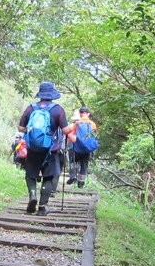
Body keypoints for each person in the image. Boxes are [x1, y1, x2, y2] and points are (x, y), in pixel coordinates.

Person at [18, 81, 68, 216]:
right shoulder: (58, 109)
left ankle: (32, 196)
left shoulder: (31, 108)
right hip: (52, 149)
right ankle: (42, 206)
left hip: (33, 148)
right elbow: (65, 130)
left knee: (31, 175)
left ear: (40, 94)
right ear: (52, 94)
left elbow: (21, 128)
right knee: (50, 176)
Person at [64, 106, 98, 188]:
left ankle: (73, 176)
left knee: (73, 161)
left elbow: (72, 135)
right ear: (88, 114)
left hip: (77, 147)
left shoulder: (77, 123)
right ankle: (81, 181)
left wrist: (68, 145)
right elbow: (94, 137)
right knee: (84, 164)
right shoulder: (93, 124)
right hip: (87, 149)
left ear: (80, 114)